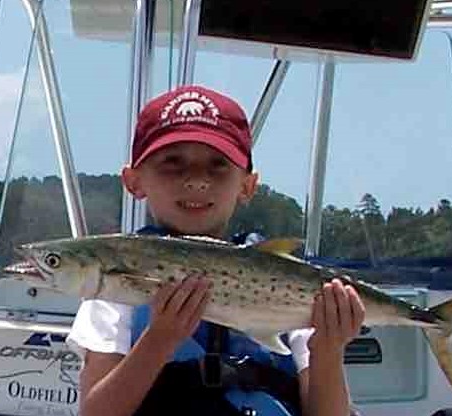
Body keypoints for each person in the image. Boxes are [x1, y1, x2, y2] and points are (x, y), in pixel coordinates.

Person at [67, 85, 365, 416]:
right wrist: (159, 340)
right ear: (134, 181)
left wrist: (328, 350)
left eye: (217, 165)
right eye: (173, 163)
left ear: (248, 185)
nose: (196, 180)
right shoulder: (115, 283)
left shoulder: (287, 279)